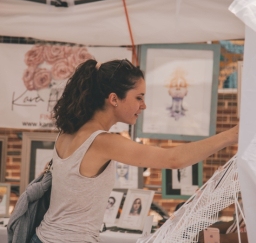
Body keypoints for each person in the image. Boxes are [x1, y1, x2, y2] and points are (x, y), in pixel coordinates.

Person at [31, 58, 238, 243]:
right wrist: (231, 135)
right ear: (114, 99)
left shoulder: (67, 133)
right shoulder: (102, 142)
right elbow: (173, 159)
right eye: (139, 97)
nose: (144, 105)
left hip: (43, 236)